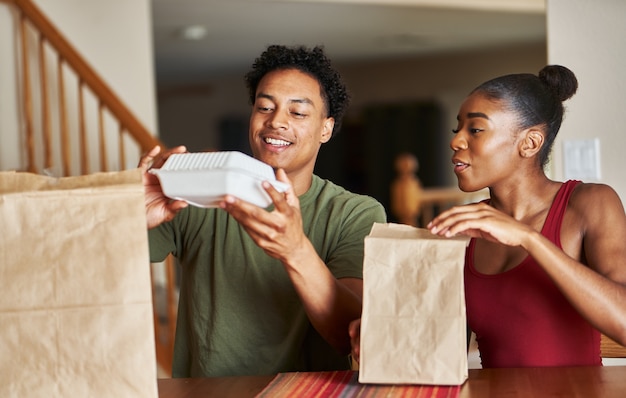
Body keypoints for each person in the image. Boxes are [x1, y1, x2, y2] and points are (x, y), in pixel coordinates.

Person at [350, 65, 626, 368]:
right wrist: (385, 335)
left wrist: (530, 239)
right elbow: (437, 352)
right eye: (458, 129)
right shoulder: (462, 228)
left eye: (476, 129)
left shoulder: (590, 202)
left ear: (530, 142)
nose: (456, 142)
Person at [141, 44, 386, 377]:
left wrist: (295, 250)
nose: (276, 122)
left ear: (325, 128)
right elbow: (92, 274)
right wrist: (126, 213)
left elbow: (348, 335)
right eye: (265, 107)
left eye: (297, 113)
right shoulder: (197, 196)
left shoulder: (354, 212)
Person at [390, 152, 423, 226]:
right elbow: (396, 201)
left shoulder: (414, 181)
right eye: (403, 165)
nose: (406, 167)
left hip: (413, 215)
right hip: (403, 216)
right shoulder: (397, 183)